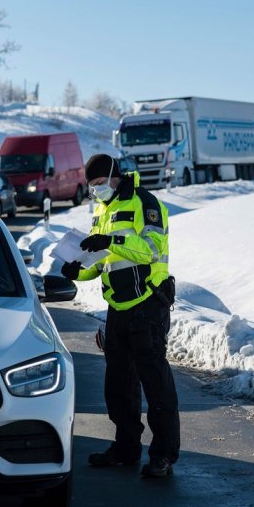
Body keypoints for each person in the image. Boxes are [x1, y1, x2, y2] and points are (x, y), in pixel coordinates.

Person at [60, 153, 180, 478]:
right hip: (118, 307)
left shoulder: (145, 202)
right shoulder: (103, 211)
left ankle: (163, 454)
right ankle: (126, 448)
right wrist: (77, 271)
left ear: (114, 176)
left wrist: (111, 239)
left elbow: (150, 249)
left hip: (148, 304)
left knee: (155, 383)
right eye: (92, 186)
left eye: (99, 184)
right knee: (118, 385)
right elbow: (101, 261)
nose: (96, 191)